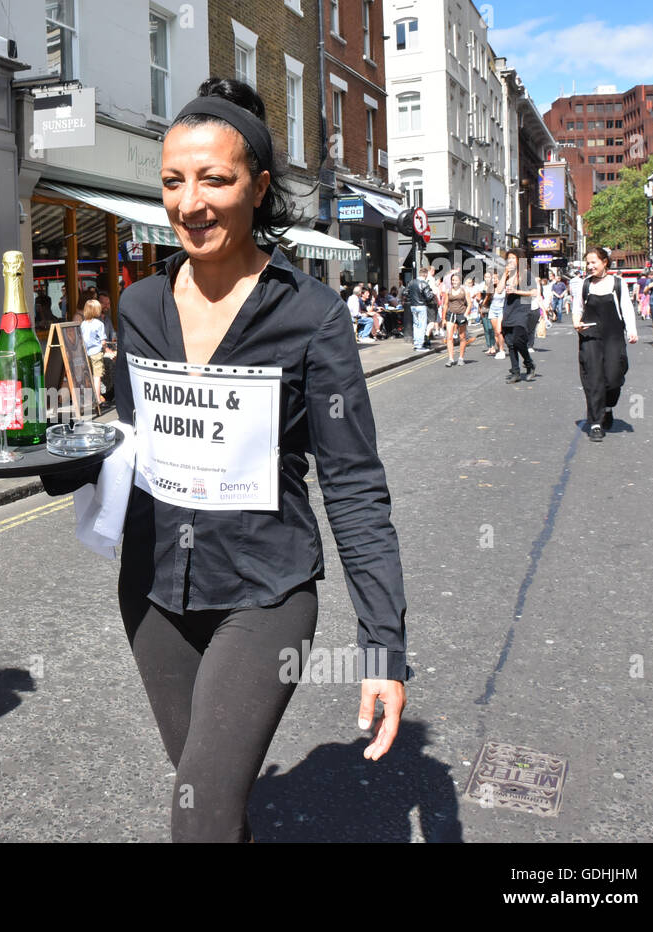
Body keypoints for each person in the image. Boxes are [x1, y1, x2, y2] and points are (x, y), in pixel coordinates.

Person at [42, 77, 408, 842]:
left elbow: (353, 484)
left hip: (264, 591)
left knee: (198, 818)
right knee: (212, 806)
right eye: (174, 181)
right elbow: (128, 442)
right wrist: (47, 450)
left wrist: (382, 645)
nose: (190, 203)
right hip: (152, 594)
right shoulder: (138, 307)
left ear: (259, 186)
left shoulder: (311, 315)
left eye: (215, 179)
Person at [573, 246, 638, 440]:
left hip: (613, 336)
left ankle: (608, 408)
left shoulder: (618, 284)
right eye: (588, 263)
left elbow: (626, 308)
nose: (590, 266)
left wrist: (632, 330)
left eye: (594, 262)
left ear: (604, 262)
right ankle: (595, 423)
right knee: (593, 380)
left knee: (613, 378)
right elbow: (577, 309)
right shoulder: (584, 285)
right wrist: (576, 323)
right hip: (590, 336)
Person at [499, 250, 536, 383]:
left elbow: (534, 292)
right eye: (508, 259)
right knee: (510, 343)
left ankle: (529, 363)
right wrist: (505, 274)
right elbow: (498, 290)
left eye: (513, 258)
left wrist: (516, 291)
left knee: (517, 339)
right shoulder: (508, 275)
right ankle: (515, 372)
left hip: (522, 310)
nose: (510, 261)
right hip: (509, 310)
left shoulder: (527, 275)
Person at [80, 297, 109, 404]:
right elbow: (103, 342)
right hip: (96, 353)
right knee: (97, 376)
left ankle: (88, 398)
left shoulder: (83, 324)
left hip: (86, 353)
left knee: (87, 376)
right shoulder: (99, 324)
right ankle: (97, 398)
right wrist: (106, 349)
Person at [442, 271, 470, 367]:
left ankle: (461, 358)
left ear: (460, 281)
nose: (454, 282)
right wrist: (443, 318)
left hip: (461, 314)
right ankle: (450, 358)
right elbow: (445, 305)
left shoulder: (464, 290)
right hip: (451, 314)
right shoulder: (448, 291)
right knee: (449, 337)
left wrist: (466, 314)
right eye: (452, 280)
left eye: (456, 280)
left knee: (462, 337)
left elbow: (469, 304)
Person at [405, 267, 428, 350]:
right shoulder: (424, 283)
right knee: (422, 326)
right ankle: (419, 345)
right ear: (425, 274)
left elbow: (405, 292)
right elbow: (429, 296)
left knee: (416, 325)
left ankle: (416, 343)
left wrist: (411, 299)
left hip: (413, 306)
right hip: (421, 306)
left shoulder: (411, 282)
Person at [487, 268, 506, 358]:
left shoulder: (505, 288)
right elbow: (486, 300)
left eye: (496, 278)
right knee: (495, 332)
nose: (494, 280)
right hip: (492, 310)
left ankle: (502, 350)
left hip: (501, 310)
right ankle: (499, 349)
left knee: (499, 331)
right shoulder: (491, 288)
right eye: (493, 278)